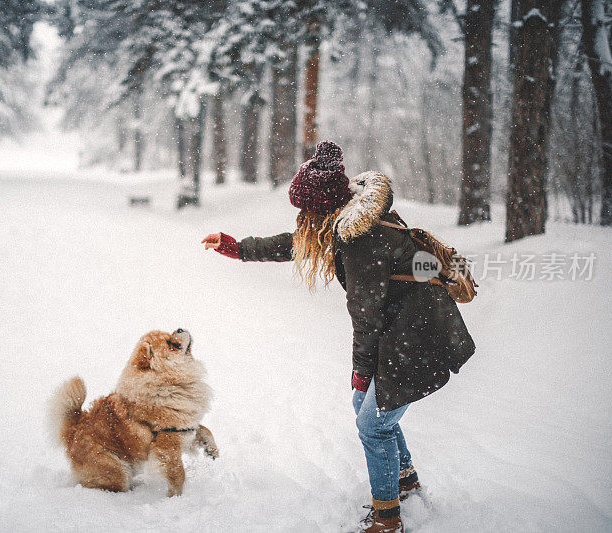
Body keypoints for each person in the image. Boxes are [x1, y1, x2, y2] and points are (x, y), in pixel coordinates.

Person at [202, 141, 475, 533]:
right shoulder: (350, 215)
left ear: (321, 207)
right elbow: (295, 244)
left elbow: (365, 315)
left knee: (373, 423)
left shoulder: (360, 239)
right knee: (366, 406)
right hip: (407, 328)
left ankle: (388, 519)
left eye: (304, 210)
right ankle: (405, 480)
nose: (301, 217)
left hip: (418, 333)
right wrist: (238, 247)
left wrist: (362, 369)